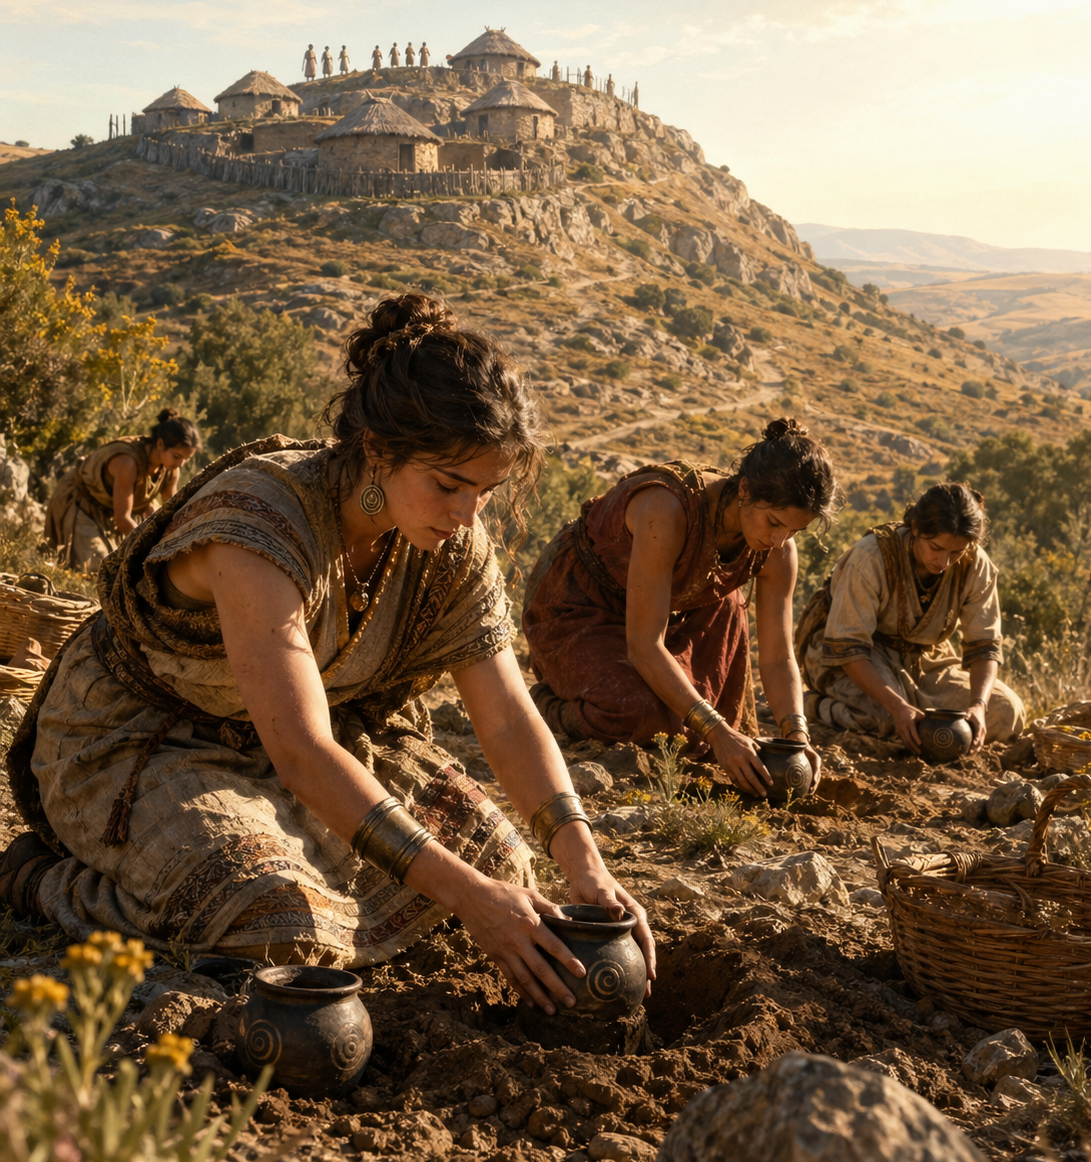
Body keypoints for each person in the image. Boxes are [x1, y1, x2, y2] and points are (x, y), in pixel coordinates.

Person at [4, 295, 654, 1014]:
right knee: (275, 919)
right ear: (378, 450)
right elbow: (303, 751)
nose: (468, 514)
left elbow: (503, 716)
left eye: (486, 491)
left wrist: (586, 865)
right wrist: (470, 901)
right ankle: (40, 879)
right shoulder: (261, 522)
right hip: (141, 743)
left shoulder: (451, 545)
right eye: (448, 485)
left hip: (289, 746)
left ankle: (284, 846)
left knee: (504, 861)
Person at [523, 421, 839, 798]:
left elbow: (776, 655)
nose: (778, 540)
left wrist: (797, 736)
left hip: (679, 607)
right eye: (773, 522)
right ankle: (546, 704)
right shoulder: (667, 511)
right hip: (584, 603)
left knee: (690, 729)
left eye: (793, 531)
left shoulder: (778, 549)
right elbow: (643, 643)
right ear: (744, 489)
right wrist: (719, 732)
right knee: (641, 714)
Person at [796, 482, 1025, 751]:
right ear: (915, 528)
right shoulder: (870, 555)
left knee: (1007, 712)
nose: (944, 562)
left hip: (925, 659)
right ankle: (809, 706)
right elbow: (848, 647)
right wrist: (896, 705)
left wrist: (978, 705)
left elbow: (985, 646)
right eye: (936, 548)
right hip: (857, 657)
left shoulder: (976, 564)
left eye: (956, 552)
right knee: (886, 719)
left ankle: (911, 709)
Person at [44, 410, 201, 572]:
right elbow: (123, 519)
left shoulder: (171, 467)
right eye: (177, 456)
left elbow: (172, 513)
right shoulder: (127, 463)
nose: (181, 464)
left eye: (186, 459)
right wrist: (152, 548)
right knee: (98, 570)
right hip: (83, 504)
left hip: (115, 508)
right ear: (160, 444)